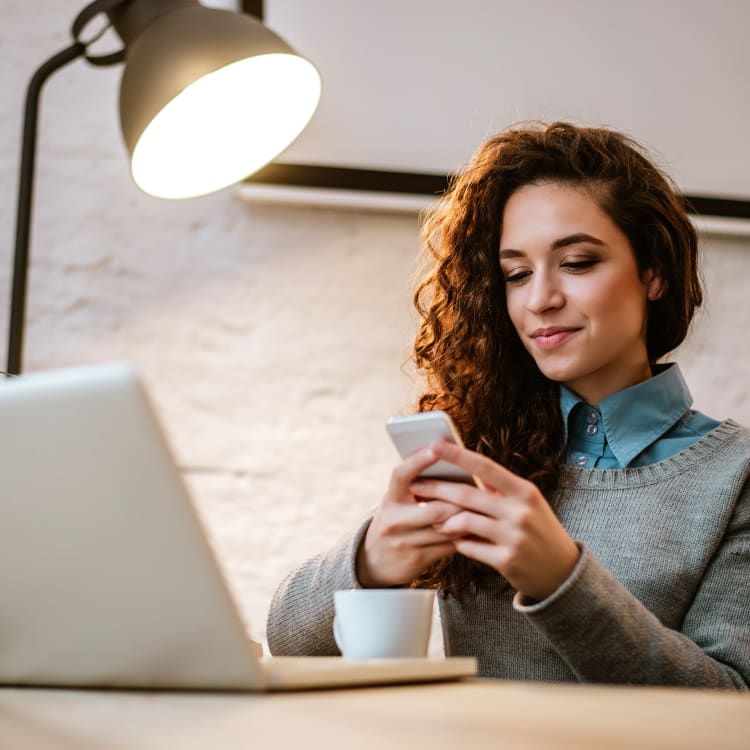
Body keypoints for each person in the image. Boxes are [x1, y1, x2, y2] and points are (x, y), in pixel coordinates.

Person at [266, 121, 750, 690]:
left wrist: (561, 579)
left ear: (655, 273)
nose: (540, 299)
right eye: (516, 274)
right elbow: (287, 642)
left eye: (577, 263)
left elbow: (732, 705)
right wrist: (370, 561)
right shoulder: (487, 448)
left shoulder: (733, 476)